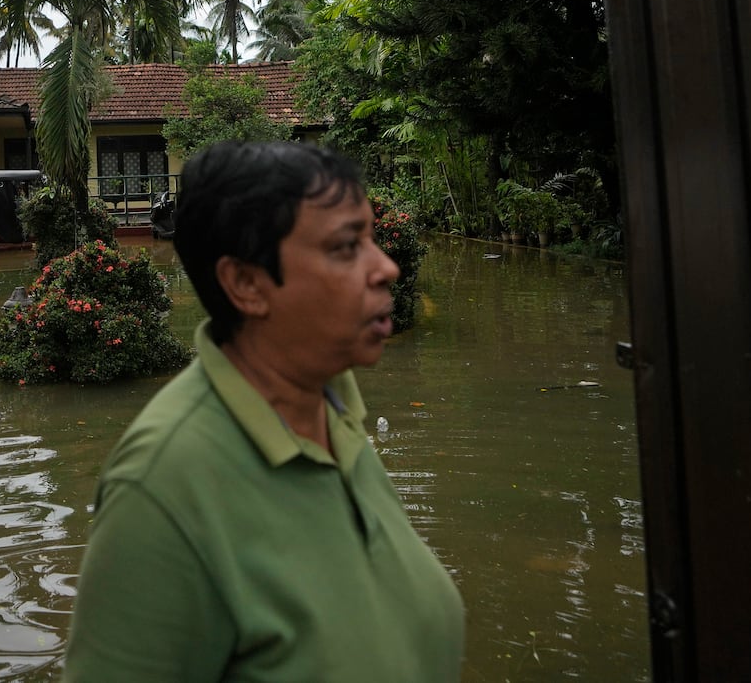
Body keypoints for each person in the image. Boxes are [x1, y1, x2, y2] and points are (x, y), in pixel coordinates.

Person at [62, 141, 465, 681]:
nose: (387, 267)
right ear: (246, 284)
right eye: (347, 247)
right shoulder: (162, 487)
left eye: (372, 239)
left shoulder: (333, 409)